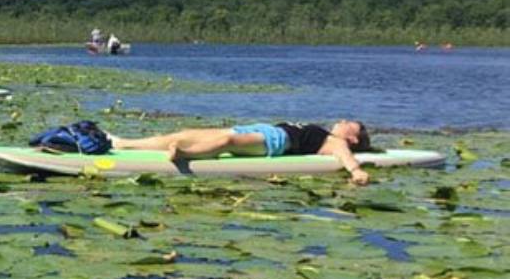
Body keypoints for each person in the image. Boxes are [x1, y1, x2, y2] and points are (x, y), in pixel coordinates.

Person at [109, 120, 374, 184]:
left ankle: (185, 155)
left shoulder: (332, 140)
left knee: (227, 141)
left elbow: (344, 155)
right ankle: (124, 143)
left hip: (275, 141)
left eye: (350, 122)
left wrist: (356, 171)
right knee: (185, 132)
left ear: (353, 136)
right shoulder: (326, 132)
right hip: (261, 129)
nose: (343, 119)